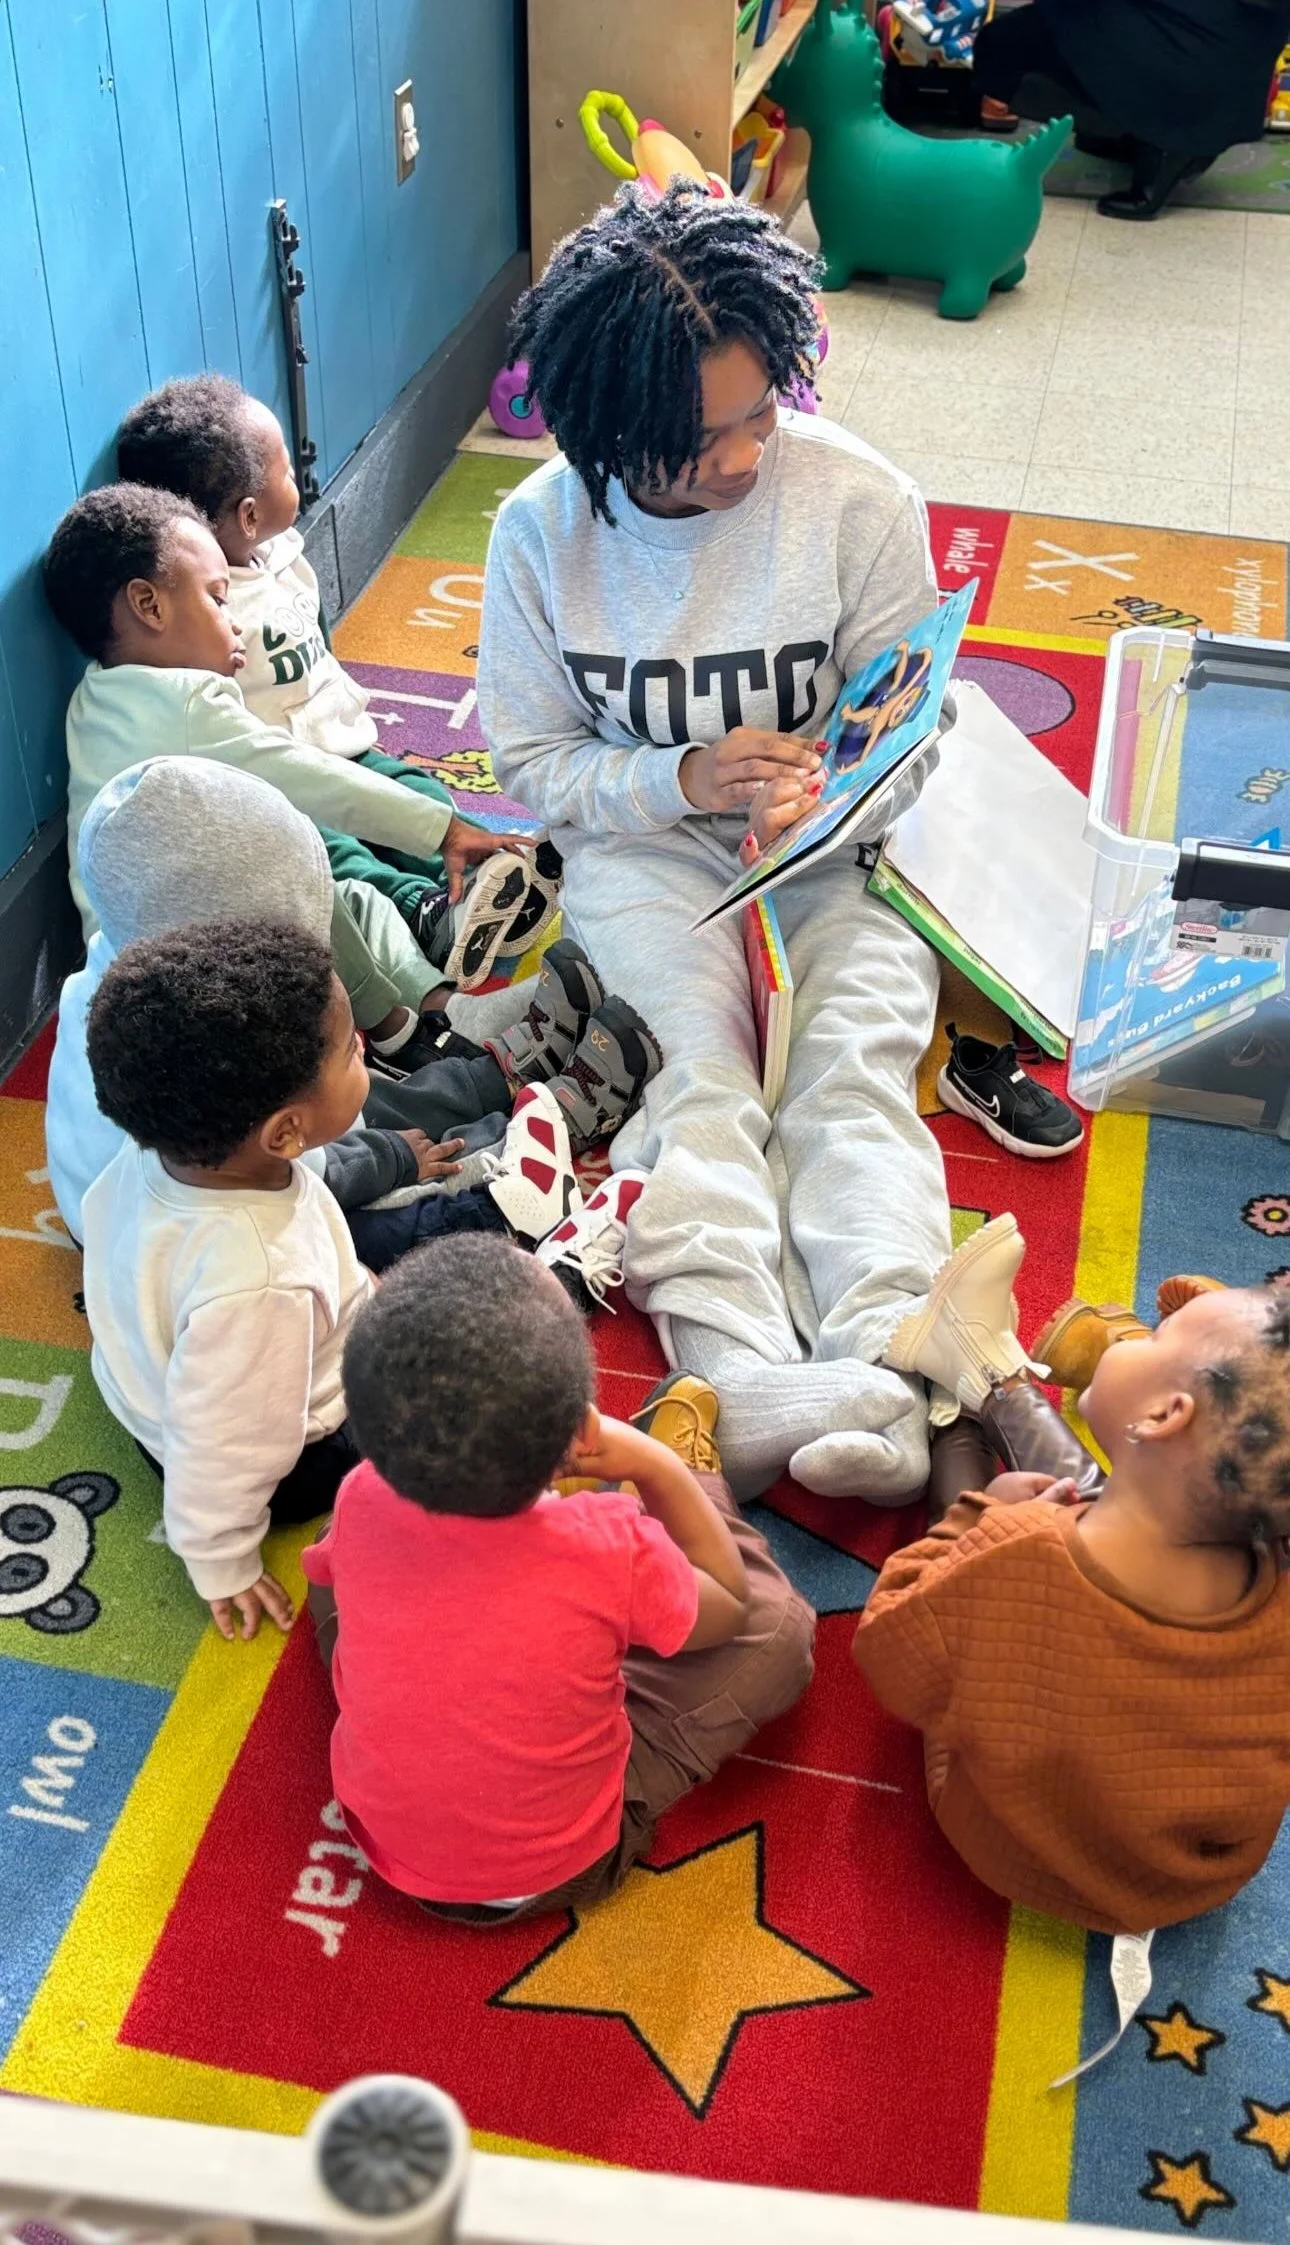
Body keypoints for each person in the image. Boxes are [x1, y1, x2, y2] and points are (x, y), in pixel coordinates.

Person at [478, 182, 963, 1502]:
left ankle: (895, 1345)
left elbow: (915, 722)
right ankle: (739, 1376)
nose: (744, 457)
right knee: (694, 1081)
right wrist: (678, 775)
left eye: (763, 412)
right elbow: (530, 764)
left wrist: (844, 790)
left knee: (852, 1069)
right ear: (605, 431)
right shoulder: (538, 536)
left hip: (832, 853)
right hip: (651, 860)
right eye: (699, 443)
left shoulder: (856, 499)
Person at [302, 1238, 815, 1917]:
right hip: (561, 1868)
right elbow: (726, 1604)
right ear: (582, 1429)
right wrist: (658, 1468)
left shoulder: (362, 1494)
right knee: (778, 1626)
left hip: (387, 1850)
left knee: (331, 1551)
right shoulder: (608, 1540)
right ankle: (695, 1471)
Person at [852, 1223, 1290, 1933]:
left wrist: (980, 1517)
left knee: (1007, 1539)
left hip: (1010, 1841)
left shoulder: (1016, 1551)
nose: (1135, 1334)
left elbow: (890, 1648)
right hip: (1181, 1876)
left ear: (1163, 1413)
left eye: (1149, 1339)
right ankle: (985, 1376)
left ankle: (958, 1414)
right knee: (1112, 1505)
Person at [115, 376, 564, 959]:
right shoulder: (208, 614)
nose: (298, 472)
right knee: (335, 850)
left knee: (420, 795)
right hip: (285, 781)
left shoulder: (282, 553)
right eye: (282, 470)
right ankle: (424, 913)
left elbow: (318, 641)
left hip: (347, 748)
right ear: (249, 514)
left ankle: (489, 878)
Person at [41, 481, 539, 990]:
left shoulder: (95, 699)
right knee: (332, 892)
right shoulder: (187, 705)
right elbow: (312, 779)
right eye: (217, 599)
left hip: (117, 966)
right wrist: (445, 831)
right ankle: (429, 997)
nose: (235, 624)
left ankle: (420, 1003)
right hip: (204, 965)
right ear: (149, 605)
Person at [972, 0, 1290, 219]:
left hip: (1203, 39)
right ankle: (1142, 129)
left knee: (1012, 44)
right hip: (1226, 37)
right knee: (1036, 32)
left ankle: (1166, 144)